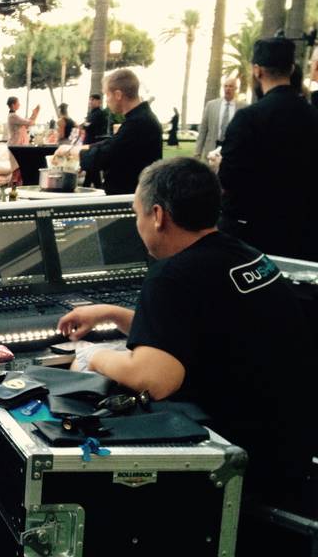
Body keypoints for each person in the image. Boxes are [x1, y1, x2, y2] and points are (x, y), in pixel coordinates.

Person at [56, 157, 315, 520]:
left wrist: (91, 355)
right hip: (293, 444)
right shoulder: (242, 255)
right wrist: (112, 314)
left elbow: (155, 378)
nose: (138, 224)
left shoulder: (173, 276)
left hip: (246, 460)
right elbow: (195, 333)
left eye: (137, 214)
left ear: (158, 215)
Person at [218, 36, 318, 261]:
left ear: (257, 71)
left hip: (255, 237)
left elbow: (229, 179)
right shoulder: (313, 116)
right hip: (306, 236)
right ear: (292, 69)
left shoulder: (248, 119)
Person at [55, 69, 162, 195]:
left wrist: (70, 151)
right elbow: (114, 143)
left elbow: (107, 154)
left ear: (118, 95)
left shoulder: (140, 122)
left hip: (131, 198)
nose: (107, 101)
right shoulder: (140, 118)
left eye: (107, 95)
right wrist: (80, 148)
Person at [194, 77, 243, 162]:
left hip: (233, 151)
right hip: (212, 150)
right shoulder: (211, 105)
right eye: (225, 86)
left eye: (231, 86)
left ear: (236, 89)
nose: (227, 89)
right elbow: (203, 130)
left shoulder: (242, 107)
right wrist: (197, 154)